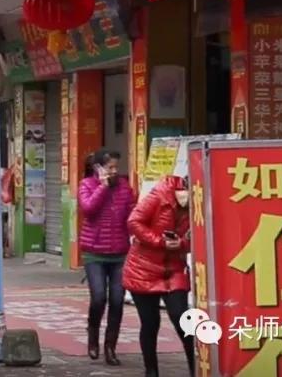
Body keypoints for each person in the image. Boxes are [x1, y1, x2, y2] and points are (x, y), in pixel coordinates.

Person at [122, 174, 195, 377]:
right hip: (142, 269)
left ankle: (196, 369)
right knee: (150, 322)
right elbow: (134, 222)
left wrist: (181, 243)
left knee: (182, 319)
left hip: (174, 269)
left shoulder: (200, 203)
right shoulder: (160, 195)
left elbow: (199, 236)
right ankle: (151, 371)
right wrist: (160, 241)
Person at [77, 149, 133, 366]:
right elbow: (88, 209)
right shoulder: (87, 185)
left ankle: (111, 346)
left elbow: (132, 214)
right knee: (99, 296)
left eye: (116, 167)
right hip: (94, 252)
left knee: (117, 300)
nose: (114, 171)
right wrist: (103, 186)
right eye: (110, 167)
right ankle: (93, 336)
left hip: (120, 253)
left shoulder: (125, 187)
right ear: (98, 168)